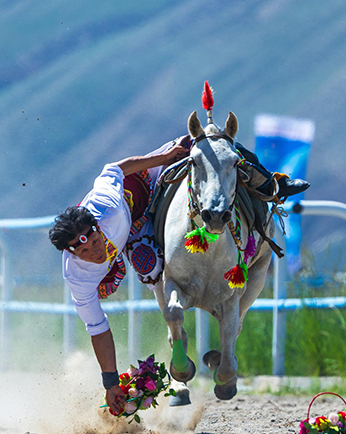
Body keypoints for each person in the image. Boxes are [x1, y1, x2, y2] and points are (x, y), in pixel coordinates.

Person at [48, 136, 308, 415]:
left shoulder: (106, 204)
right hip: (133, 231)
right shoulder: (77, 275)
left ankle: (272, 184)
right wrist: (110, 382)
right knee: (149, 266)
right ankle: (178, 346)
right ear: (72, 255)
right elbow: (97, 328)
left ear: (98, 227)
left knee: (201, 141)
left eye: (95, 243)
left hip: (141, 194)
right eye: (84, 252)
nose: (94, 253)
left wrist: (165, 157)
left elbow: (114, 168)